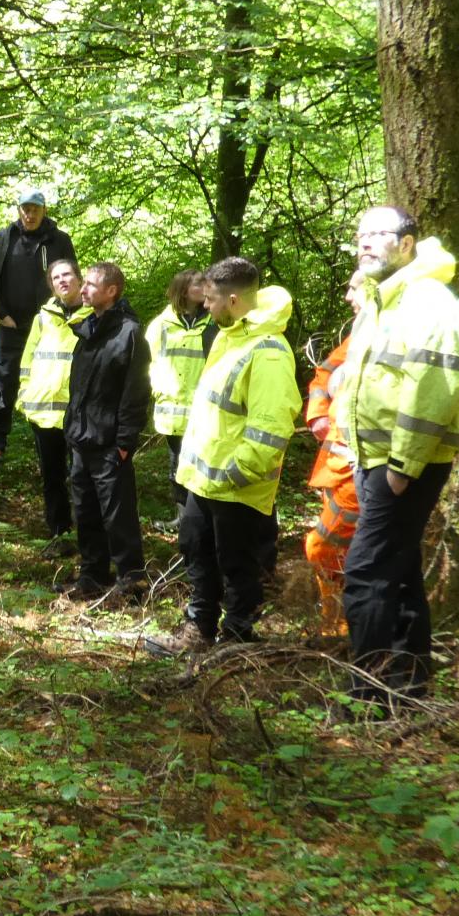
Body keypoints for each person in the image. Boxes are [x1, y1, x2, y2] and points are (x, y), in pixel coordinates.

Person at [334, 207, 459, 709]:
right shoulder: (381, 300)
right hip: (375, 460)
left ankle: (364, 697)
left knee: (366, 573)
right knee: (399, 568)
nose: (365, 243)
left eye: (378, 235)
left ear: (408, 243)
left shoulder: (431, 304)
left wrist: (402, 469)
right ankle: (410, 688)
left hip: (403, 465)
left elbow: (432, 391)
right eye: (361, 235)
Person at [163, 257, 300, 652]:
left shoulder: (269, 352)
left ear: (234, 299)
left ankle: (237, 639)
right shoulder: (227, 336)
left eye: (210, 300)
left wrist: (236, 473)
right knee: (197, 552)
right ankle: (198, 629)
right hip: (203, 481)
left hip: (236, 487)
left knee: (238, 566)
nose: (205, 306)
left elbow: (271, 427)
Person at [61, 262, 151, 599]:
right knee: (84, 512)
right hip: (81, 439)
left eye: (90, 284)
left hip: (111, 443)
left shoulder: (129, 333)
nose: (82, 289)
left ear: (111, 291)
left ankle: (132, 583)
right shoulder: (87, 329)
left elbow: (135, 392)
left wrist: (125, 442)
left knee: (119, 517)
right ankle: (92, 577)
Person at [0, 191, 76, 465]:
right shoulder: (3, 238)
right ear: (18, 210)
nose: (29, 215)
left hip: (49, 328)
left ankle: (58, 445)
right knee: (4, 380)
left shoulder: (59, 240)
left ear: (44, 210)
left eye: (35, 210)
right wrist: (1, 313)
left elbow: (71, 276)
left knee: (55, 382)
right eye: (25, 209)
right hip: (12, 325)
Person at [303, 275, 369, 637]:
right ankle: (335, 624)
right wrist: (317, 415)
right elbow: (325, 372)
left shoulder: (392, 331)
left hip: (364, 470)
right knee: (332, 551)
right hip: (336, 465)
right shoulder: (360, 332)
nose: (347, 297)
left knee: (324, 547)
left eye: (354, 289)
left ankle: (347, 626)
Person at [16, 259, 90, 554]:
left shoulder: (92, 315)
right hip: (43, 412)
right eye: (56, 277)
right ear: (51, 284)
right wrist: (24, 395)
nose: (62, 281)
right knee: (52, 478)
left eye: (67, 275)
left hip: (79, 414)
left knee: (82, 479)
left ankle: (87, 536)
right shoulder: (42, 318)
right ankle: (60, 534)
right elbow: (27, 359)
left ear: (79, 278)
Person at [146, 269, 212, 511]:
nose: (205, 287)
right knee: (177, 463)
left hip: (203, 409)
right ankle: (182, 515)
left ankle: (198, 516)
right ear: (184, 289)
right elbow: (148, 362)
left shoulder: (213, 322)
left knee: (202, 463)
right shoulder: (161, 325)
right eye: (199, 283)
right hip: (171, 407)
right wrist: (158, 388)